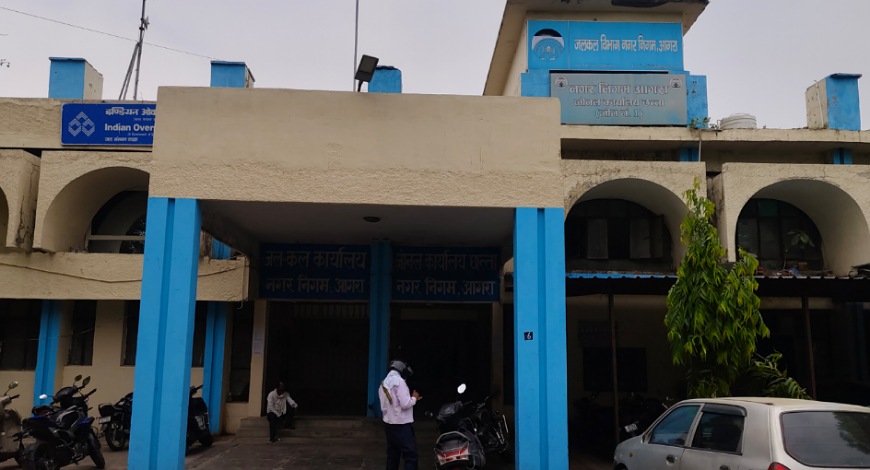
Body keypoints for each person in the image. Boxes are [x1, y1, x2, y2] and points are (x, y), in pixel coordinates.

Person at [378, 359, 422, 470]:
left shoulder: (383, 383)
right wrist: (414, 398)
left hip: (389, 425)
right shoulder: (400, 382)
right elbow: (405, 404)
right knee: (410, 456)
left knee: (393, 456)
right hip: (402, 426)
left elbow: (384, 408)